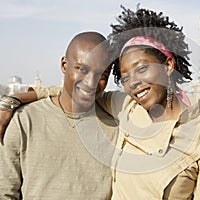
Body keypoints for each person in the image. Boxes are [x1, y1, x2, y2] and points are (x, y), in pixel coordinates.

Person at [96, 6, 200, 199]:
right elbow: (81, 94)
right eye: (126, 77)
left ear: (168, 66)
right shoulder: (126, 107)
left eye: (142, 68)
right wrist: (40, 93)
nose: (134, 82)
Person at [0, 32, 118, 199]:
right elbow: (5, 191)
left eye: (102, 75)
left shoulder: (116, 129)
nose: (91, 83)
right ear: (64, 65)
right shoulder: (23, 121)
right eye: (82, 69)